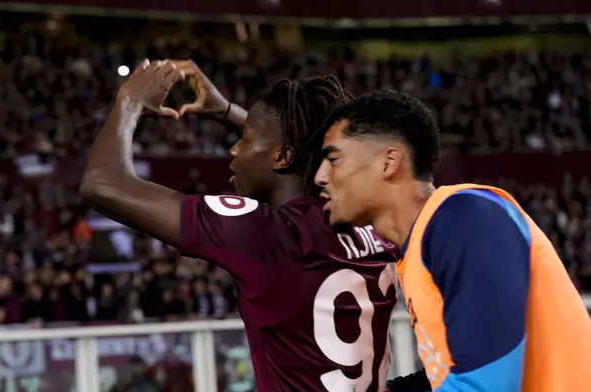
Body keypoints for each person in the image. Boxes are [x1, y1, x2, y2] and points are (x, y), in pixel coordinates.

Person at [81, 59, 412, 391]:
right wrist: (226, 110)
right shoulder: (372, 226)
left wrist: (129, 100)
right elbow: (292, 151)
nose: (234, 148)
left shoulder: (267, 232)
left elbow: (102, 184)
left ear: (283, 157)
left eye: (247, 138)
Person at [314, 89, 591, 392]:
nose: (320, 176)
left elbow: (484, 384)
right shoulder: (425, 243)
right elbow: (451, 373)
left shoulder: (464, 218)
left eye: (334, 159)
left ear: (388, 162)